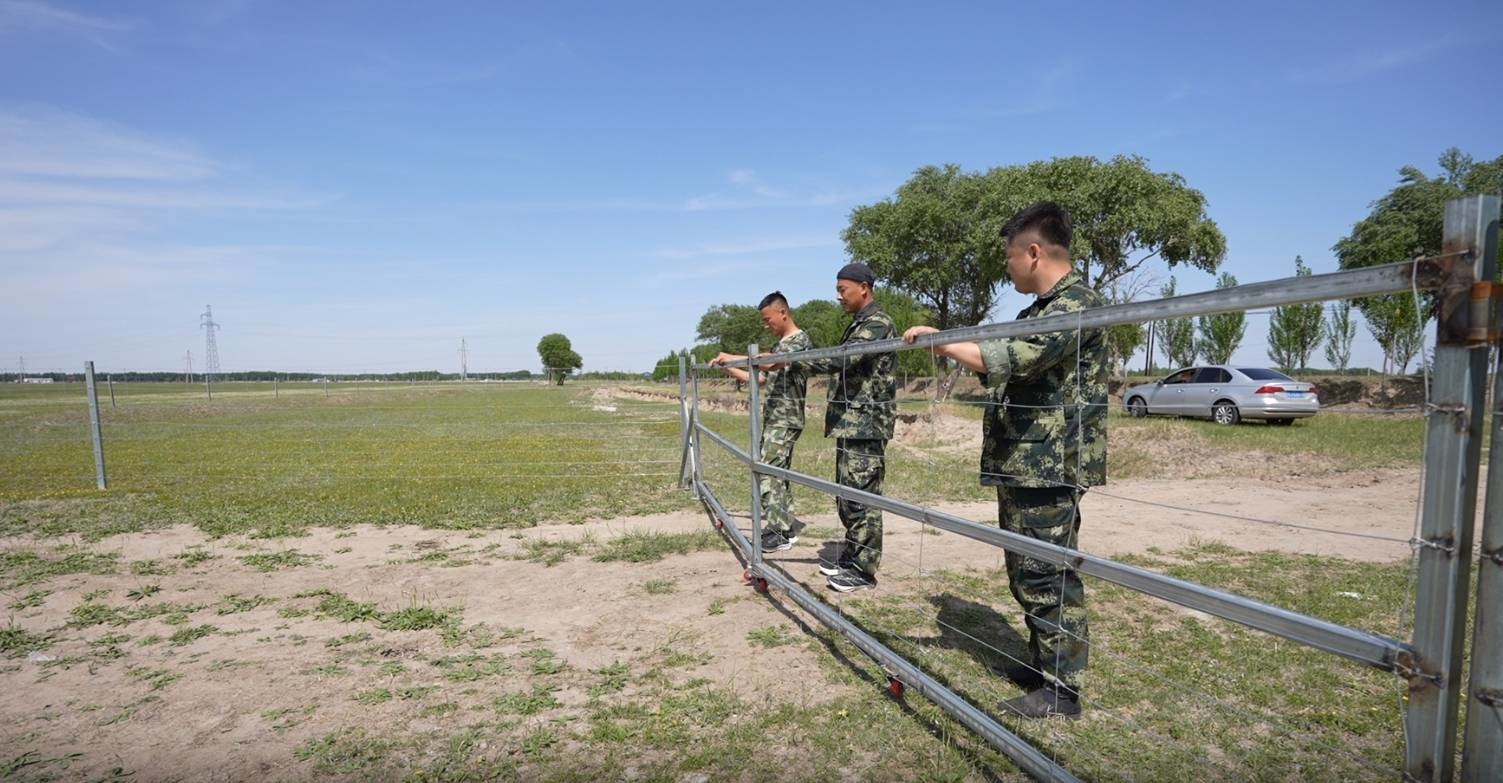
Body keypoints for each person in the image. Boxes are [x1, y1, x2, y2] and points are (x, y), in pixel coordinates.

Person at [902, 201, 1107, 719]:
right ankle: (1044, 663)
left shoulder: (1073, 307)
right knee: (1025, 568)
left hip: (1049, 465)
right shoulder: (1036, 312)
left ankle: (1063, 689)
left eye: (1009, 257)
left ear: (1033, 252)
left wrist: (944, 342)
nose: (1007, 267)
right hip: (1025, 461)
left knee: (1046, 573)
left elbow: (1015, 359)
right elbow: (1003, 371)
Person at [783, 263, 896, 592]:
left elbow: (841, 359)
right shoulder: (860, 323)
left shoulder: (878, 323)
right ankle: (854, 552)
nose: (838, 297)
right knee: (848, 494)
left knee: (862, 495)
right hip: (852, 424)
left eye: (842, 290)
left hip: (866, 424)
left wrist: (794, 358)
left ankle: (864, 568)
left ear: (864, 287)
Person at [711, 291, 813, 553]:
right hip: (775, 419)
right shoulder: (782, 345)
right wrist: (729, 367)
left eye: (769, 320)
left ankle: (781, 531)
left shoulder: (798, 341)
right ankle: (781, 525)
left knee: (769, 470)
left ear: (783, 312)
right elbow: (760, 379)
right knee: (775, 472)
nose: (767, 326)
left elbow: (771, 364)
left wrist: (735, 357)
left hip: (786, 419)